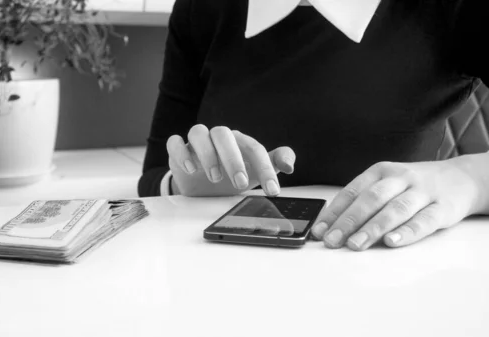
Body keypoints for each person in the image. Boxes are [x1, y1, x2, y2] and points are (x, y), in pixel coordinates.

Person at [138, 0, 489, 251]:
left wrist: (470, 179)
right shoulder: (201, 9)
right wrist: (189, 180)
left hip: (386, 280)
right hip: (223, 283)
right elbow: (152, 178)